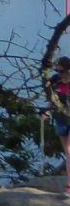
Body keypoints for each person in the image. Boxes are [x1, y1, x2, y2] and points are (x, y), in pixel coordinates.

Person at [43, 57, 70, 196]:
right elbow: (51, 98)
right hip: (60, 119)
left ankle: (69, 186)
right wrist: (47, 112)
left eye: (62, 71)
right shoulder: (55, 80)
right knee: (67, 152)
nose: (59, 73)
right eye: (57, 70)